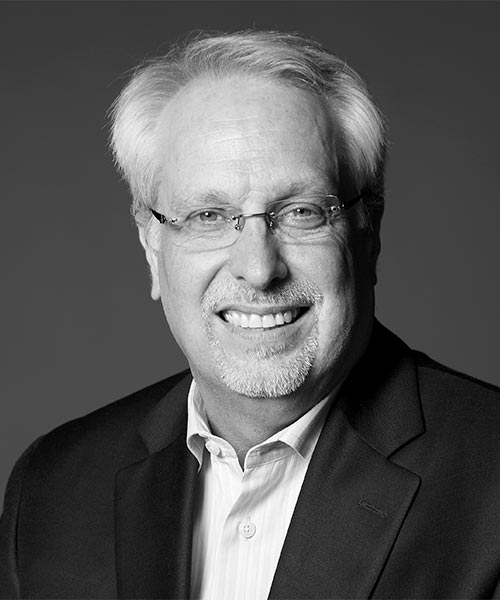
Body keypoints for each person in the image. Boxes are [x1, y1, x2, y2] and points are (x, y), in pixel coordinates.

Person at [1, 29, 500, 600]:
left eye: (302, 212)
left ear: (368, 235)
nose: (259, 268)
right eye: (208, 216)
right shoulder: (51, 490)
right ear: (152, 247)